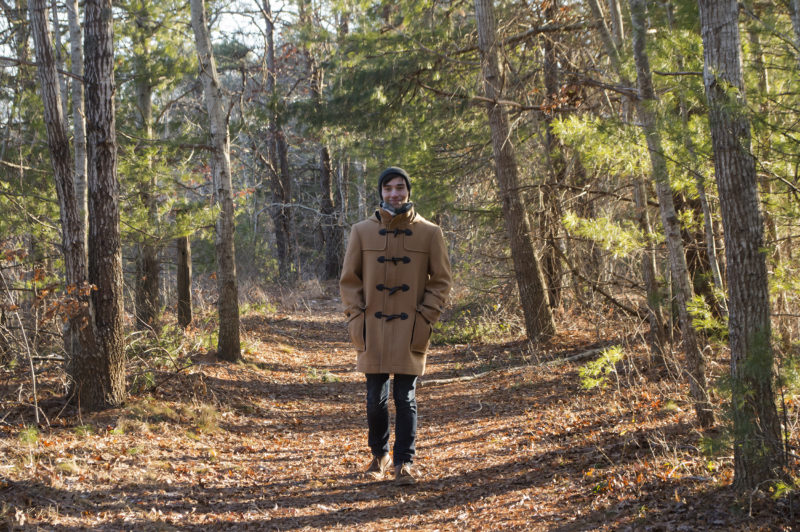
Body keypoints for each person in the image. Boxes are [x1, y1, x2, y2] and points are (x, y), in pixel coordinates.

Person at [340, 166, 452, 485]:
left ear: (408, 191)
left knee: (405, 398)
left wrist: (426, 316)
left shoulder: (430, 233)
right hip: (371, 327)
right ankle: (380, 455)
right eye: (388, 188)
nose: (394, 193)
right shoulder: (361, 231)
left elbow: (441, 281)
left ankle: (404, 462)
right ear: (381, 192)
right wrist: (355, 317)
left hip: (411, 328)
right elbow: (349, 280)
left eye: (400, 187)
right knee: (374, 399)